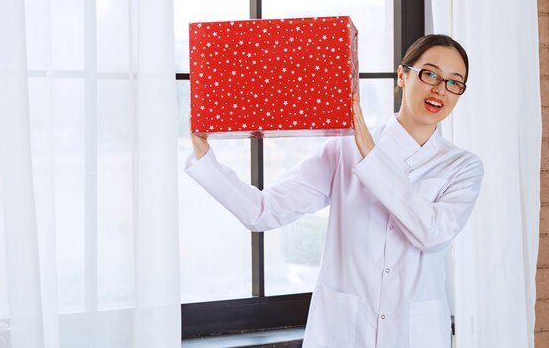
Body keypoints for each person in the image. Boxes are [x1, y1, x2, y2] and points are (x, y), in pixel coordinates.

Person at [186, 34, 484, 348]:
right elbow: (264, 211)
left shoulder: (462, 167)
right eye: (430, 74)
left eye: (454, 82)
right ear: (402, 75)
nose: (440, 89)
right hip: (344, 332)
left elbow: (432, 234)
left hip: (416, 335)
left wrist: (370, 153)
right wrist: (205, 158)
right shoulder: (344, 148)